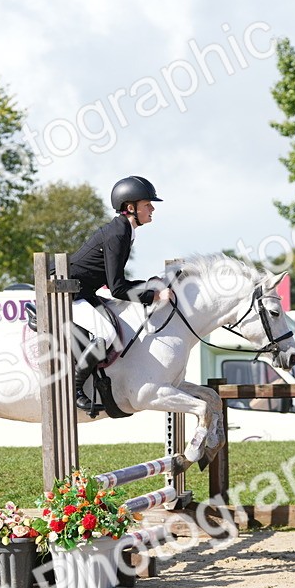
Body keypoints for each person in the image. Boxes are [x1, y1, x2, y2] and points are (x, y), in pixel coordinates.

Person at [66, 175, 175, 412]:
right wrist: (154, 296)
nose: (152, 208)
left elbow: (113, 281)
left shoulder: (124, 231)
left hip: (84, 290)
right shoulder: (117, 234)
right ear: (130, 207)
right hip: (67, 294)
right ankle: (75, 389)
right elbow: (116, 288)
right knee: (105, 335)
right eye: (147, 204)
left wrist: (149, 284)